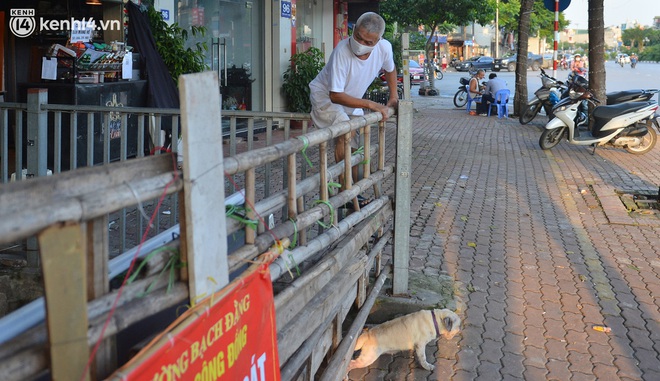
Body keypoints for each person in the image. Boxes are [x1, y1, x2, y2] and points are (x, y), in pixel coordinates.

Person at [309, 11, 398, 179]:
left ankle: (355, 190)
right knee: (345, 132)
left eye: (368, 42)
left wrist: (393, 96)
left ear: (378, 40)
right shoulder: (341, 51)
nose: (360, 44)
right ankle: (346, 196)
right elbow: (335, 95)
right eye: (358, 37)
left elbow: (390, 69)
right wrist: (371, 104)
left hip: (351, 100)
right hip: (325, 97)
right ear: (354, 28)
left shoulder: (384, 48)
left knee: (357, 143)